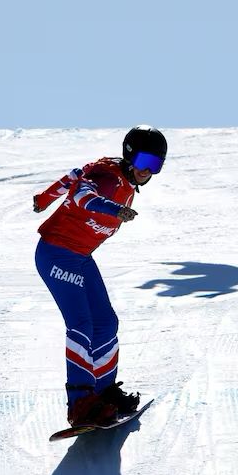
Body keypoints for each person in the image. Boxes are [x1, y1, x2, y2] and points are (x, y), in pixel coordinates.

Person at [32, 125, 168, 428]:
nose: (147, 170)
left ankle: (104, 393)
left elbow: (72, 176)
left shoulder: (124, 181)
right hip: (56, 253)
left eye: (155, 165)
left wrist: (44, 198)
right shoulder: (108, 178)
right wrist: (111, 208)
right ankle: (80, 403)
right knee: (81, 324)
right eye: (144, 161)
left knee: (106, 323)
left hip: (80, 257)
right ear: (129, 156)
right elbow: (82, 193)